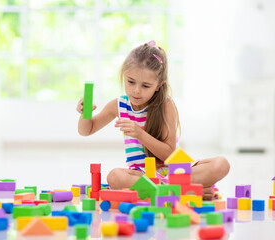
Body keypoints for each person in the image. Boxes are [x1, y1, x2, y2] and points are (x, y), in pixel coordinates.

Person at [76, 40, 230, 200]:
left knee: (221, 164)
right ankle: (181, 191)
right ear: (124, 76)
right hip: (142, 173)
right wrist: (84, 113)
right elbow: (86, 130)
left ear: (158, 85)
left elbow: (169, 155)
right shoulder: (119, 105)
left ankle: (163, 190)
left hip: (174, 170)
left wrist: (140, 134)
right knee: (114, 177)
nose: (136, 90)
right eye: (130, 82)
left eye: (145, 86)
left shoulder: (165, 105)